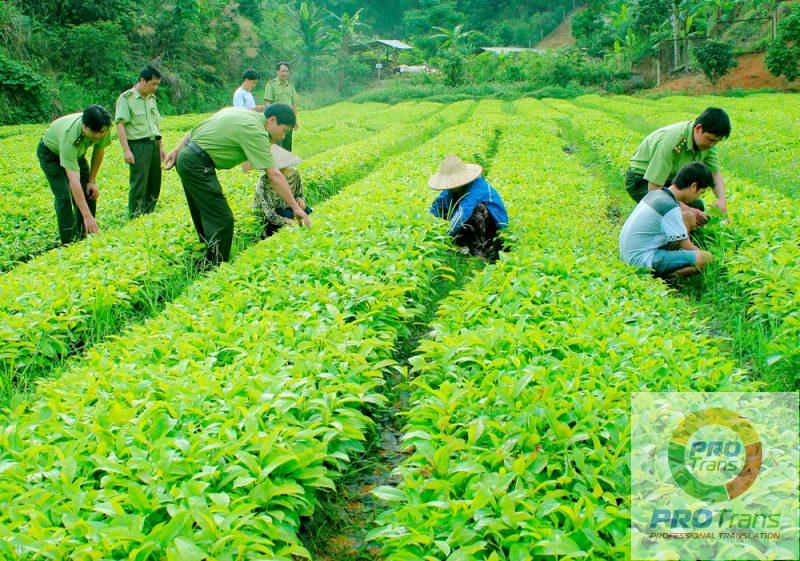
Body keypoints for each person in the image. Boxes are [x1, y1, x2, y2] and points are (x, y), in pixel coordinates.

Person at [163, 104, 310, 266]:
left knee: (203, 213)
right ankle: (215, 268)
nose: (283, 137)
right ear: (272, 120)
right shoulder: (257, 132)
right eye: (284, 131)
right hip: (197, 163)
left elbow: (193, 131)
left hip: (188, 157)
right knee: (223, 219)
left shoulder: (243, 113)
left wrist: (177, 150)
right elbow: (273, 173)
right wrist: (295, 207)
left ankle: (206, 259)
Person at [626, 107, 731, 227]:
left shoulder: (709, 145)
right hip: (641, 180)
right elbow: (654, 189)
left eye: (716, 142)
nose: (712, 144)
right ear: (698, 128)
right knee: (674, 213)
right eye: (710, 139)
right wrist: (686, 210)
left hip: (668, 180)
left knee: (697, 207)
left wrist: (722, 200)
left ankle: (685, 239)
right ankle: (663, 238)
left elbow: (715, 173)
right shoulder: (671, 141)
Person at [619, 161, 715, 278]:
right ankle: (662, 277)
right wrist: (711, 258)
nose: (697, 198)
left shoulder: (657, 194)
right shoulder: (670, 207)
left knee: (688, 217)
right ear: (693, 186)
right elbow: (687, 246)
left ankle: (666, 265)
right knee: (706, 258)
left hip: (627, 254)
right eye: (700, 193)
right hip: (640, 261)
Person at [37, 104, 112, 244]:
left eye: (100, 132)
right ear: (84, 126)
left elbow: (99, 150)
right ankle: (69, 242)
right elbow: (74, 182)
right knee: (64, 197)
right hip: (51, 155)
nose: (97, 136)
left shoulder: (103, 128)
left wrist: (92, 180)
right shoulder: (70, 139)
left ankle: (85, 234)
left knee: (89, 191)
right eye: (93, 133)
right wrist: (87, 215)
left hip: (78, 154)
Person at [429, 154, 508, 261]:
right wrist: (430, 231)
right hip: (470, 225)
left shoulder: (478, 186)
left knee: (478, 209)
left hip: (493, 227)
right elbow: (435, 208)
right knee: (444, 209)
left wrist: (445, 237)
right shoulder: (449, 191)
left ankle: (482, 249)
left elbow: (463, 212)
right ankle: (463, 245)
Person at [115, 65, 165, 217]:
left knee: (155, 182)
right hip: (138, 145)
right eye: (153, 84)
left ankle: (148, 214)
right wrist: (126, 150)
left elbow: (155, 125)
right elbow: (120, 124)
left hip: (154, 144)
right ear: (143, 80)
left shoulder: (151, 98)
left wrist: (161, 147)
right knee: (139, 183)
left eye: (157, 84)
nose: (155, 87)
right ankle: (136, 216)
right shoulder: (126, 98)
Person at [253, 144, 312, 238]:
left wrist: (301, 201)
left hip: (289, 207)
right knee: (288, 215)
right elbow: (270, 215)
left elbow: (299, 194)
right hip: (273, 216)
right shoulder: (264, 183)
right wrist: (290, 222)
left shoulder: (294, 175)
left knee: (308, 211)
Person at [264, 62, 299, 151]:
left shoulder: (291, 86)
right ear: (277, 72)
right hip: (277, 122)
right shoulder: (271, 85)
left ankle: (287, 164)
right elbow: (268, 104)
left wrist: (295, 120)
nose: (285, 73)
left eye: (287, 71)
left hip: (288, 121)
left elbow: (294, 104)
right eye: (283, 71)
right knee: (276, 147)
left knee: (287, 147)